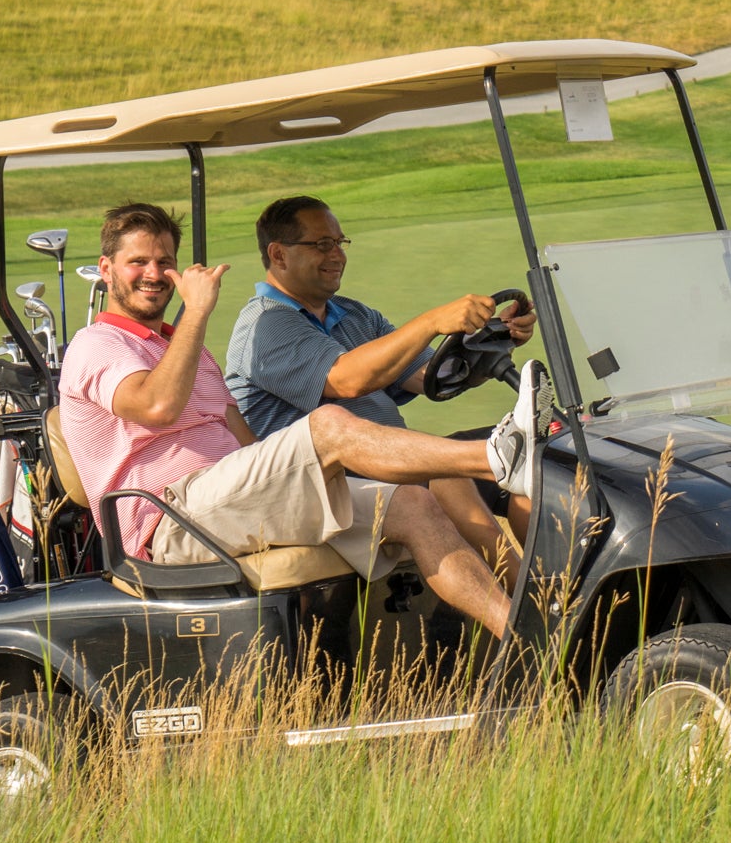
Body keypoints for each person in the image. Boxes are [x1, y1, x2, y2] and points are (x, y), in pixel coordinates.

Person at [60, 201, 542, 639]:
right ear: (106, 270)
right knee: (329, 423)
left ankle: (533, 640)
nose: (155, 273)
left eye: (165, 261)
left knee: (415, 504)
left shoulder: (185, 351)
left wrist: (495, 338)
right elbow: (156, 407)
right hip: (168, 518)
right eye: (138, 262)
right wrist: (198, 310)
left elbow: (240, 439)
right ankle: (495, 458)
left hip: (227, 500)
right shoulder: (97, 346)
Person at [225, 194, 535, 578]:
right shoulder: (267, 325)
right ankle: (531, 601)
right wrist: (432, 322)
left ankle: (556, 586)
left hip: (385, 464)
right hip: (322, 484)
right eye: (322, 244)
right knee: (451, 471)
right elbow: (348, 379)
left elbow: (431, 377)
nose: (337, 255)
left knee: (528, 467)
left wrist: (493, 340)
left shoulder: (354, 314)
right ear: (278, 254)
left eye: (340, 243)